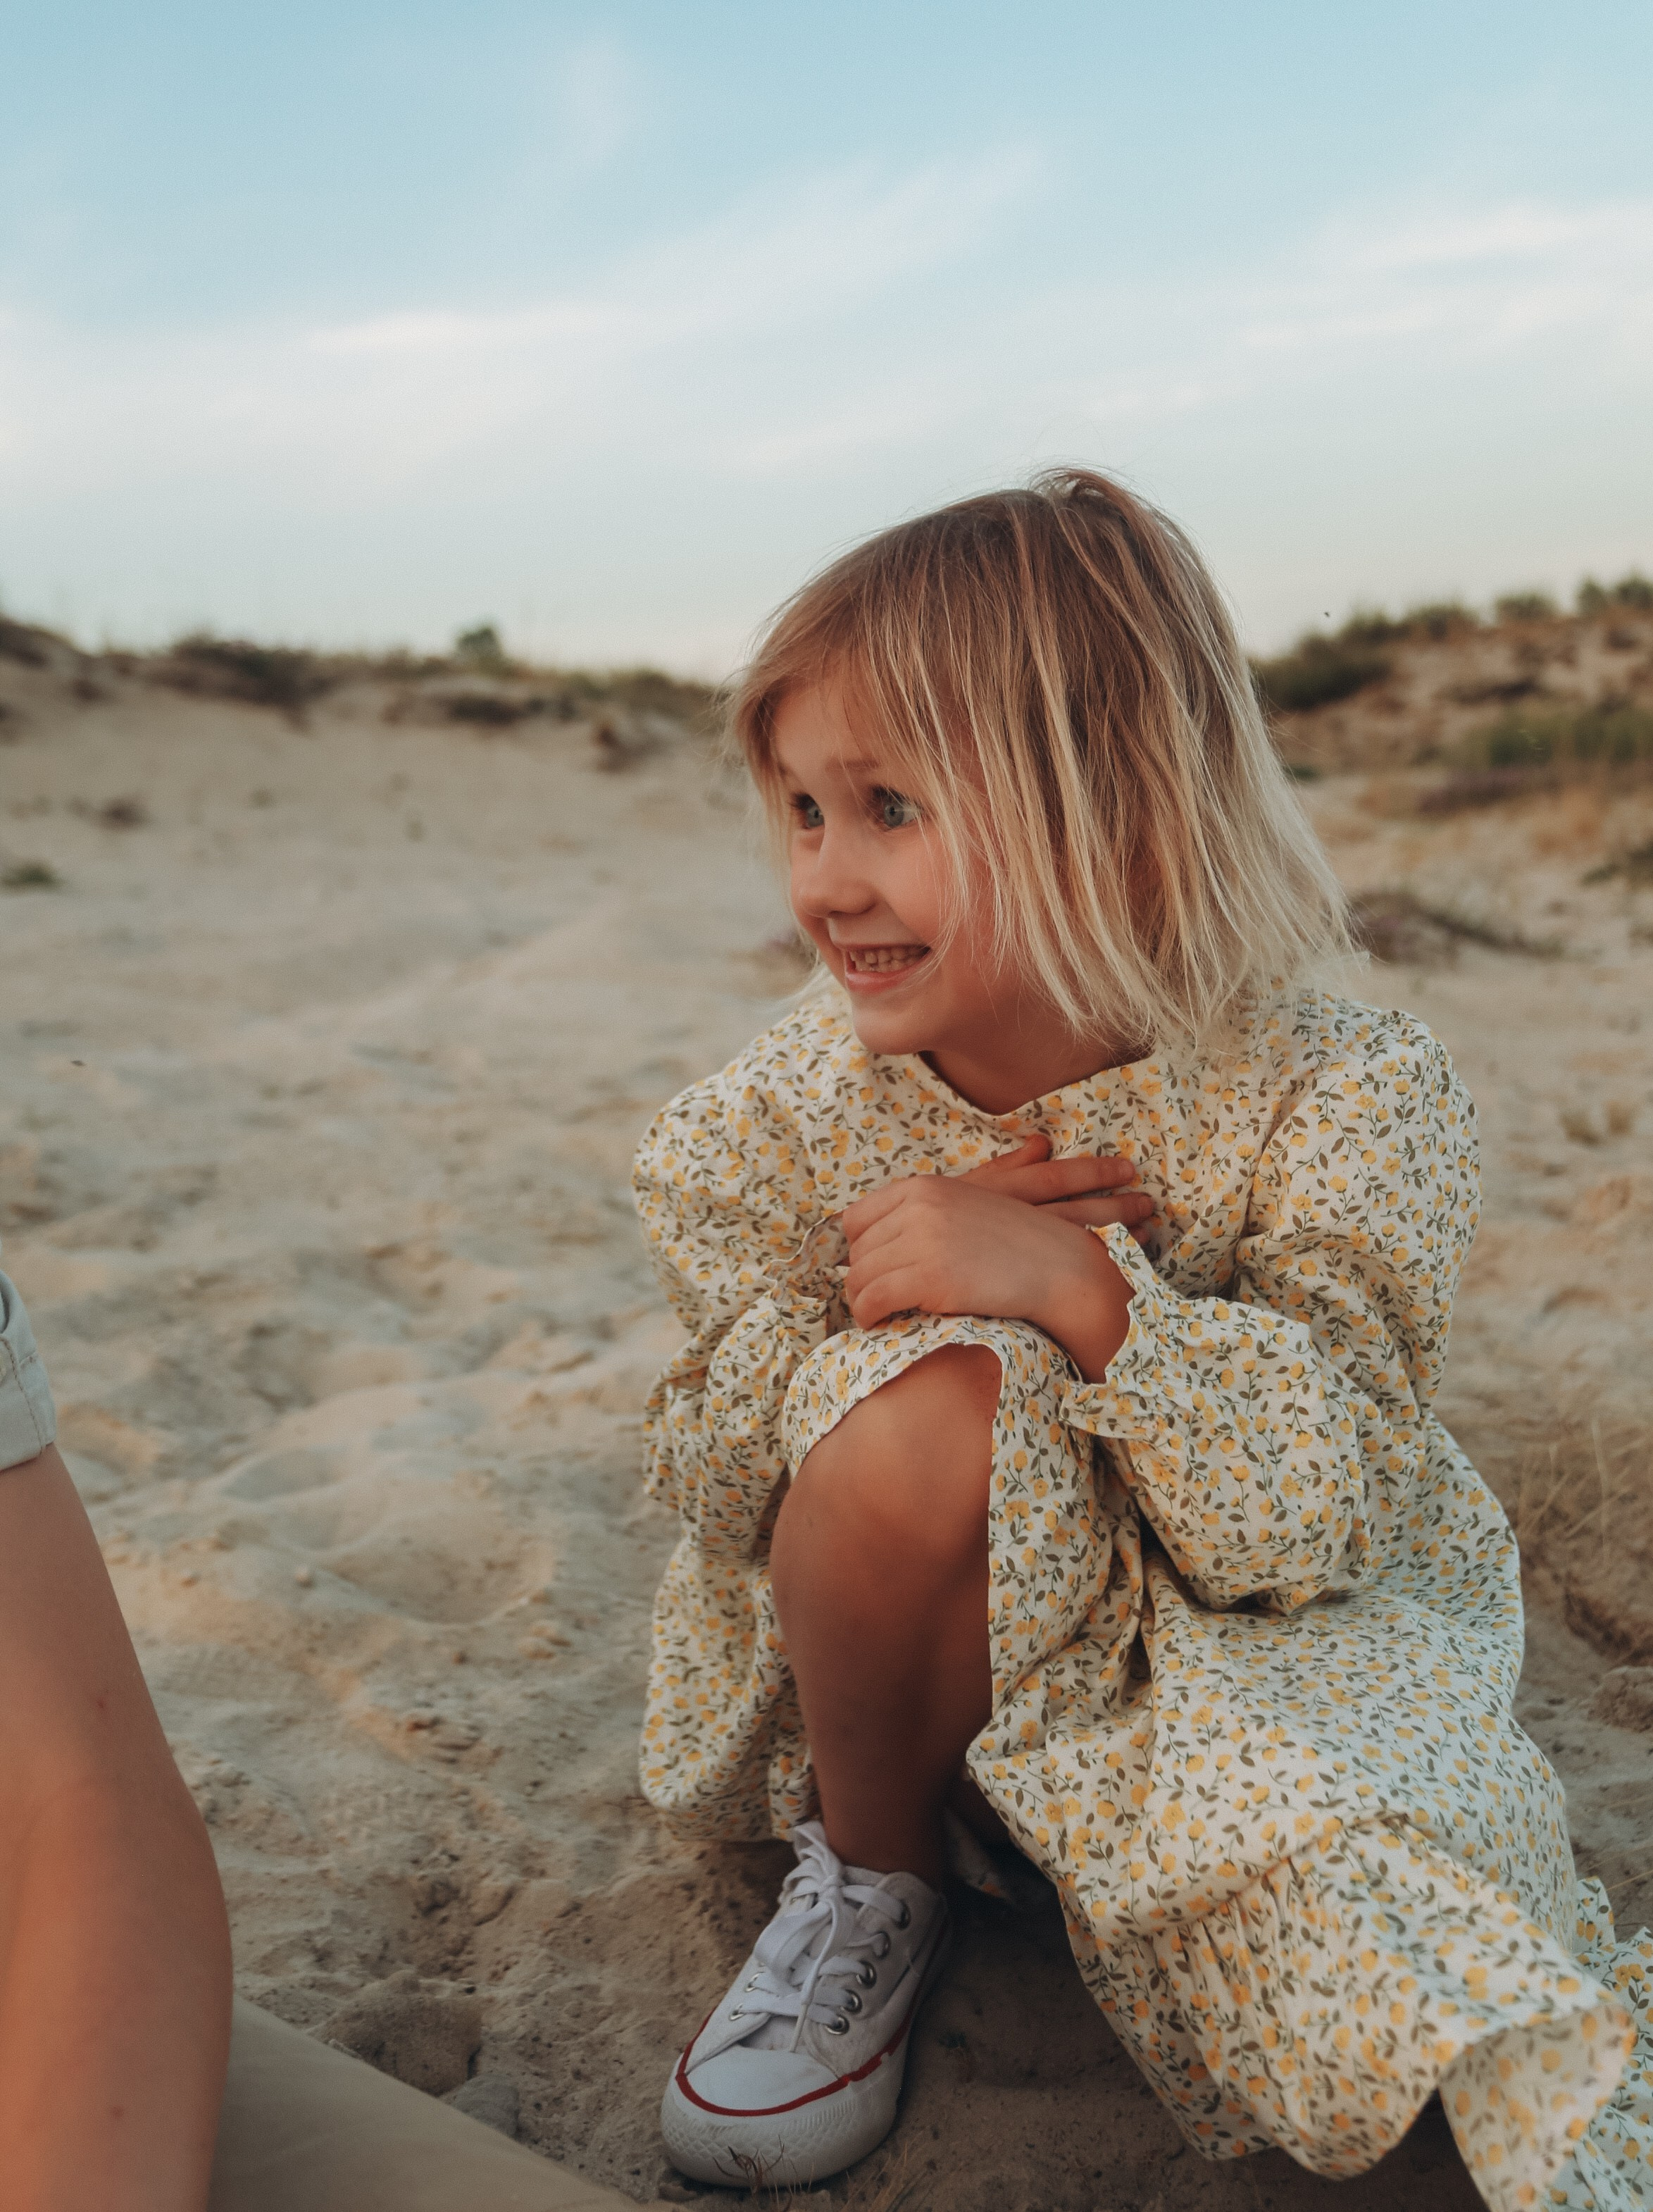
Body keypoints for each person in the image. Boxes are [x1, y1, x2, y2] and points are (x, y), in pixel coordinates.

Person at [632, 469, 1653, 2205]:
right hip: (910, 1676)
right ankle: (880, 1879)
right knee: (926, 1400)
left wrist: (1092, 1295)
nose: (827, 879)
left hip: (1246, 1634)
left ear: (1113, 811)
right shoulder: (768, 1125)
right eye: (802, 810)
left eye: (889, 805)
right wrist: (895, 1282)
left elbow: (1305, 1517)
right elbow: (712, 1474)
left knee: (1430, 2012)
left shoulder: (1345, 1090)